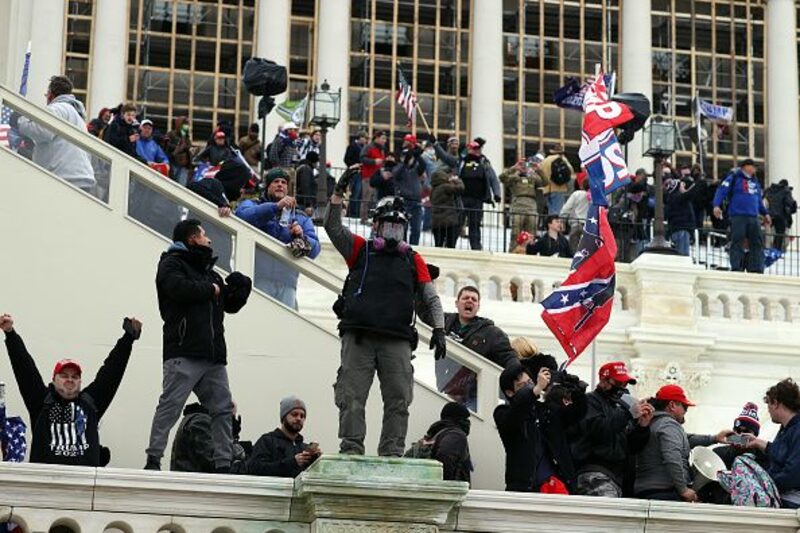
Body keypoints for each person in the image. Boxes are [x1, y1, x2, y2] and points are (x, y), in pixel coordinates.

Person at [325, 187, 446, 456]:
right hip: (358, 337)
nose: (393, 231)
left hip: (398, 340)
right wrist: (337, 195)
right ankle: (351, 450)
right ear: (376, 225)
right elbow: (332, 228)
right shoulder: (360, 249)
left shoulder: (413, 259)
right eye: (388, 224)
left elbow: (431, 297)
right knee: (352, 398)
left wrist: (439, 329)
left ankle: (392, 453)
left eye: (398, 226)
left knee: (399, 400)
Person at [145, 219, 252, 472]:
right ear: (192, 238)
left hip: (212, 356)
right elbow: (177, 288)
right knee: (170, 406)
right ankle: (153, 460)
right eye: (204, 235)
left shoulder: (209, 272)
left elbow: (230, 303)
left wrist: (242, 286)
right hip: (183, 351)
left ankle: (224, 464)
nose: (209, 239)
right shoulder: (171, 264)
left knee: (223, 409)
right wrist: (210, 289)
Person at [0, 313, 141, 466]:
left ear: (80, 382)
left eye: (75, 377)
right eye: (64, 375)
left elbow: (112, 371)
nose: (70, 379)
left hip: (85, 485)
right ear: (53, 380)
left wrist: (128, 338)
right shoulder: (41, 402)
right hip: (45, 485)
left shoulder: (91, 403)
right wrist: (10, 333)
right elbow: (25, 368)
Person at [494, 359, 586, 493]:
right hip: (524, 487)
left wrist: (575, 391)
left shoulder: (546, 410)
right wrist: (535, 390)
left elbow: (576, 414)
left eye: (530, 382)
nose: (531, 387)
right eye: (523, 385)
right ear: (510, 392)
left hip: (557, 483)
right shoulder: (503, 413)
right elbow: (515, 415)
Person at [235, 168, 320, 309]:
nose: (280, 184)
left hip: (287, 282)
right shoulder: (253, 205)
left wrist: (301, 237)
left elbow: (315, 250)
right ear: (267, 187)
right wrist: (275, 207)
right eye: (275, 181)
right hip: (257, 279)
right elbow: (242, 217)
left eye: (284, 182)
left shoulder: (300, 216)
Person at [634, 384, 733, 502]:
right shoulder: (669, 425)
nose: (686, 411)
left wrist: (715, 438)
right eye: (684, 406)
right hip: (664, 492)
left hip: (647, 489)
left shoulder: (652, 423)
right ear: (672, 405)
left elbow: (686, 439)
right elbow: (672, 458)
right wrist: (683, 490)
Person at [571, 362, 653, 498]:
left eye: (625, 384)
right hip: (594, 473)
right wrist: (628, 414)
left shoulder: (619, 407)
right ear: (604, 381)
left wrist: (642, 427)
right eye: (619, 383)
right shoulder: (589, 401)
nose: (622, 388)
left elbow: (631, 447)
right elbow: (597, 430)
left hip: (617, 477)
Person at [436, 286, 517, 410]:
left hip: (474, 395)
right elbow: (424, 312)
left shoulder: (490, 332)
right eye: (465, 298)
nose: (470, 301)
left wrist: (517, 374)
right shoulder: (442, 322)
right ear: (457, 303)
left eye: (474, 299)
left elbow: (508, 356)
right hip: (447, 391)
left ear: (478, 307)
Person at [16, 75, 96, 193]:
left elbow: (42, 131)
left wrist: (19, 121)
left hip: (64, 177)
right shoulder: (77, 116)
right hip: (80, 177)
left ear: (50, 94)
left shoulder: (57, 108)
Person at [743, 378, 800, 508]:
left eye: (768, 404)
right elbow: (784, 456)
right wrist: (759, 444)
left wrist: (763, 480)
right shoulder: (787, 429)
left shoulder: (796, 429)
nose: (768, 410)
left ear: (775, 403)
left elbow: (793, 474)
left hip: (791, 501)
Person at [234, 396, 321, 477]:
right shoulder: (267, 441)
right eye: (294, 414)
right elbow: (256, 468)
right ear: (283, 417)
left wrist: (316, 461)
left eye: (302, 416)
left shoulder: (303, 448)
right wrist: (292, 463)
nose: (299, 418)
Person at [712, 159, 771, 273]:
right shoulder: (734, 178)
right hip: (738, 216)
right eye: (753, 166)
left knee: (757, 242)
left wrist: (765, 213)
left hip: (753, 217)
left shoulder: (755, 183)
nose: (755, 169)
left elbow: (758, 201)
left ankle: (756, 267)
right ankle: (737, 267)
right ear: (745, 167)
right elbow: (721, 191)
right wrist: (716, 205)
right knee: (737, 241)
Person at [170, 402, 250, 472]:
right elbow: (216, 461)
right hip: (194, 485)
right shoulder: (202, 421)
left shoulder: (198, 420)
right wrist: (232, 437)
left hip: (191, 484)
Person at [456, 140, 501, 250]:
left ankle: (476, 247)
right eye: (474, 149)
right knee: (458, 223)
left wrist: (496, 194)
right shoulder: (461, 160)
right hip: (462, 197)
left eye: (478, 149)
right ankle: (450, 244)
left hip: (477, 200)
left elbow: (493, 178)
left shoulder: (484, 162)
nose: (476, 151)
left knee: (475, 225)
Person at [421, 401, 473, 483]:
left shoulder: (434, 436)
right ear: (458, 419)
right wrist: (447, 486)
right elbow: (445, 456)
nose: (468, 422)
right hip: (448, 492)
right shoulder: (456, 435)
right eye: (465, 419)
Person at [500, 158, 543, 250]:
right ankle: (513, 251)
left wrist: (538, 169)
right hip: (518, 205)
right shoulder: (514, 177)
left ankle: (530, 252)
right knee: (516, 231)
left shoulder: (532, 177)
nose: (524, 167)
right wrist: (514, 168)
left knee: (531, 231)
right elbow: (502, 178)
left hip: (531, 205)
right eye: (522, 165)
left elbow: (544, 182)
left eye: (525, 165)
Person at [391, 135, 426, 245]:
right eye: (406, 157)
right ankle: (402, 248)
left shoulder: (416, 169)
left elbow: (423, 166)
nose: (408, 158)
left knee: (416, 229)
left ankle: (414, 248)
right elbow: (396, 174)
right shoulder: (398, 168)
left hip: (416, 201)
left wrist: (418, 156)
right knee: (403, 229)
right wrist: (405, 163)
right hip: (404, 201)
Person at [430, 165, 465, 248]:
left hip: (436, 223)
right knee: (450, 245)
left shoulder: (433, 190)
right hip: (449, 222)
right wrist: (457, 180)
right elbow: (461, 188)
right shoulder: (445, 187)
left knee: (438, 245)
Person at [359, 130, 388, 223]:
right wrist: (374, 161)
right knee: (366, 198)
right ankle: (363, 218)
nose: (384, 141)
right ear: (377, 138)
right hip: (368, 176)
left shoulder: (382, 149)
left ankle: (372, 218)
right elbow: (362, 158)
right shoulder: (368, 147)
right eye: (383, 138)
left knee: (375, 199)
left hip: (378, 178)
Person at [665, 176, 698, 256]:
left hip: (677, 230)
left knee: (678, 255)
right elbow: (690, 193)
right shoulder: (678, 197)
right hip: (682, 230)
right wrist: (697, 183)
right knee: (682, 256)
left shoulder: (672, 198)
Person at [540, 144, 574, 216]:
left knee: (550, 211)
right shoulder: (561, 159)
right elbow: (571, 171)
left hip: (546, 189)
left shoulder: (544, 161)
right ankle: (555, 226)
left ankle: (550, 226)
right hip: (558, 188)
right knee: (557, 212)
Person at [765, 179, 797, 252]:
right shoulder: (785, 191)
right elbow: (790, 203)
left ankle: (773, 251)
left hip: (771, 216)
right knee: (781, 235)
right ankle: (778, 252)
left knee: (773, 235)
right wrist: (793, 208)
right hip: (782, 216)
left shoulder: (771, 190)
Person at [560, 179, 591, 253]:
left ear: (582, 185)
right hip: (590, 227)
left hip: (576, 224)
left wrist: (562, 221)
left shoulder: (577, 194)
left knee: (574, 251)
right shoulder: (596, 197)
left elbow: (566, 208)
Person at [344, 130, 369, 218]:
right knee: (355, 193)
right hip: (355, 173)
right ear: (360, 137)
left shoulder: (363, 147)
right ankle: (352, 213)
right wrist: (354, 166)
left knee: (359, 194)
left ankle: (356, 213)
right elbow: (347, 159)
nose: (366, 140)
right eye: (365, 138)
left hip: (361, 173)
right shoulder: (352, 146)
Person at [164, 116, 193, 185]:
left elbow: (188, 147)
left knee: (182, 185)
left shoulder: (186, 137)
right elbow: (165, 145)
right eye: (184, 124)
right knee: (172, 184)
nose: (186, 126)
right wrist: (177, 148)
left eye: (187, 125)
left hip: (184, 165)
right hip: (173, 163)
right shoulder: (171, 134)